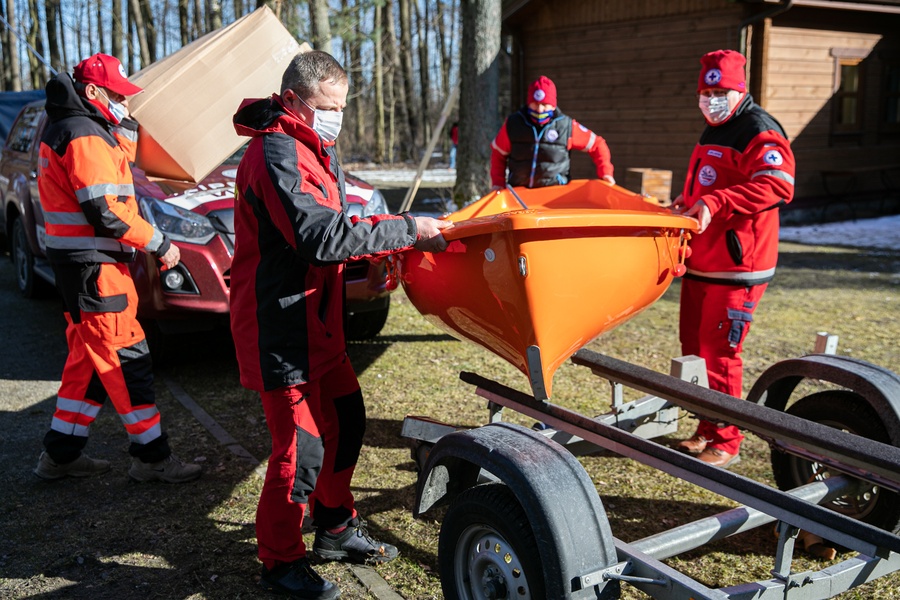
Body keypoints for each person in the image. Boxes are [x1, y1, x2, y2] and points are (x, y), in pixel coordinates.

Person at [230, 50, 452, 600]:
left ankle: (333, 526)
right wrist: (408, 228)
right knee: (298, 452)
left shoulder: (313, 145)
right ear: (294, 101)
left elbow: (338, 227)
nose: (337, 117)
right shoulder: (274, 154)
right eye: (329, 107)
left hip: (319, 326)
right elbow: (318, 238)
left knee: (348, 421)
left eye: (343, 107)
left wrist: (370, 260)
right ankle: (280, 562)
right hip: (280, 330)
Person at [33, 53, 202, 484]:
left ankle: (61, 455)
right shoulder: (83, 134)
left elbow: (115, 165)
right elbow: (107, 211)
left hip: (85, 267)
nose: (122, 103)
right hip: (95, 268)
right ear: (92, 93)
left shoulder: (83, 128)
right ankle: (152, 458)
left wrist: (124, 125)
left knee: (88, 361)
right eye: (115, 96)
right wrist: (160, 242)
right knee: (128, 362)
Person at [672, 49, 796, 467]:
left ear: (739, 90)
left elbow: (777, 184)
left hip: (738, 266)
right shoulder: (714, 128)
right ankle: (706, 427)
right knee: (694, 347)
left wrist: (716, 202)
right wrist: (688, 203)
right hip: (701, 262)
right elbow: (711, 182)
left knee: (720, 353)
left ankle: (726, 441)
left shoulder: (758, 129)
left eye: (719, 90)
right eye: (705, 91)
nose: (710, 98)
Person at [490, 75, 615, 190]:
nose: (539, 110)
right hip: (519, 193)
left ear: (553, 105)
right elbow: (498, 153)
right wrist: (498, 183)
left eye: (544, 105)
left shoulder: (567, 126)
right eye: (535, 104)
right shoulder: (514, 124)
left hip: (554, 194)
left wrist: (605, 172)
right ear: (529, 103)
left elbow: (597, 144)